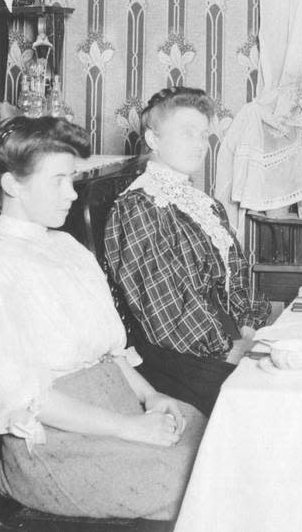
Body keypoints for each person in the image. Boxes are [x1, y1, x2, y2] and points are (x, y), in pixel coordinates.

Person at [0, 116, 203, 520]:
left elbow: (108, 354)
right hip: (55, 444)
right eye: (57, 180)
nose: (71, 194)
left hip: (116, 410)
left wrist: (150, 396)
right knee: (201, 484)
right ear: (12, 184)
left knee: (221, 444)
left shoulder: (67, 247)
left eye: (72, 178)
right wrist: (130, 429)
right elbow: (25, 400)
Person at [104, 87, 270, 415]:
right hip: (178, 360)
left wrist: (250, 328)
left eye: (204, 134)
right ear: (153, 140)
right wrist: (229, 350)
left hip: (222, 341)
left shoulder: (202, 204)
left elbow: (234, 283)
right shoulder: (141, 207)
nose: (199, 144)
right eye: (187, 133)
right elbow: (164, 311)